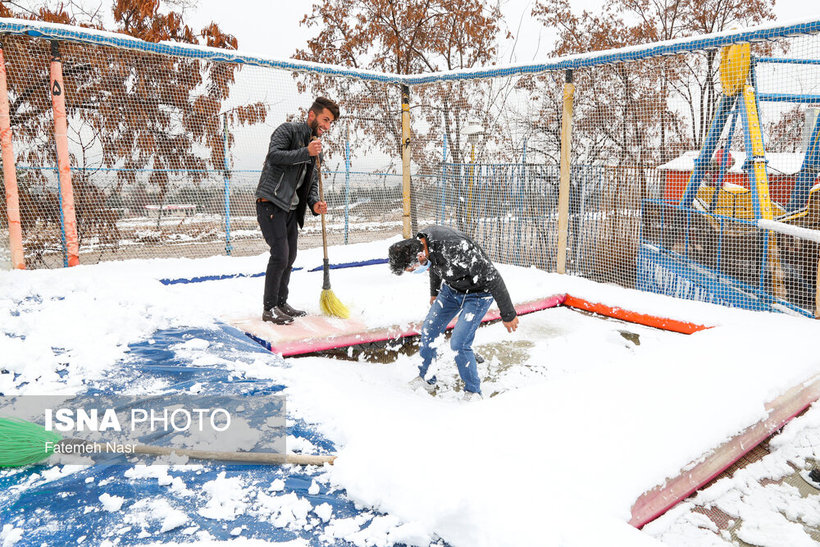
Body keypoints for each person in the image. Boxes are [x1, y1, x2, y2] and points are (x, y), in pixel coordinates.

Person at [388, 225, 519, 401]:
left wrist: (508, 314)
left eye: (411, 269)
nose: (413, 272)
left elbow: (492, 276)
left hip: (478, 294)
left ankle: (473, 392)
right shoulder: (423, 245)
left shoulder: (455, 248)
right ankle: (427, 378)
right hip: (451, 290)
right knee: (429, 330)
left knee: (459, 342)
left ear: (419, 256)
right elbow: (434, 265)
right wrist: (434, 292)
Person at [255, 97, 339, 325]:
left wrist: (314, 203)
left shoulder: (315, 149)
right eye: (325, 119)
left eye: (330, 123)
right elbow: (274, 155)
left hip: (291, 209)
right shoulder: (288, 130)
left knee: (290, 256)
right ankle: (269, 308)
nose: (327, 127)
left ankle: (281, 303)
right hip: (271, 202)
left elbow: (310, 184)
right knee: (280, 255)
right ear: (312, 115)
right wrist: (305, 152)